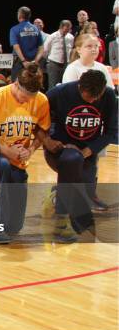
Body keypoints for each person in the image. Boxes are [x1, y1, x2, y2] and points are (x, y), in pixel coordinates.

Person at [0, 63, 60, 244]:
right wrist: (4, 149)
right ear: (16, 84)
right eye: (22, 97)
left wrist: (31, 150)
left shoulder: (41, 101)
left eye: (29, 99)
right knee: (0, 166)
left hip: (17, 160)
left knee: (14, 226)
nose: (25, 101)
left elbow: (41, 132)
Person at [45, 70, 117, 242]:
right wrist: (47, 140)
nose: (92, 101)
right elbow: (38, 121)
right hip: (59, 150)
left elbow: (111, 132)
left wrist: (87, 151)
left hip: (87, 152)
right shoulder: (58, 93)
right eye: (88, 97)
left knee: (84, 186)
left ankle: (56, 197)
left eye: (95, 98)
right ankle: (61, 222)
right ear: (79, 86)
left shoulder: (108, 96)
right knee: (72, 162)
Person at [10, 6, 44, 81]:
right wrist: (36, 61)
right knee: (31, 86)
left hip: (20, 63)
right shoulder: (36, 29)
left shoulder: (14, 29)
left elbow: (16, 47)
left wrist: (24, 61)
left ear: (20, 15)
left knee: (16, 87)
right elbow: (41, 48)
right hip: (33, 64)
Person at [44, 20, 74, 89]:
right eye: (65, 30)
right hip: (54, 64)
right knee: (53, 85)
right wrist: (49, 60)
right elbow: (45, 50)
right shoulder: (52, 36)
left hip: (66, 64)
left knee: (65, 85)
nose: (66, 32)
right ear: (61, 27)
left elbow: (71, 49)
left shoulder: (71, 37)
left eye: (68, 30)